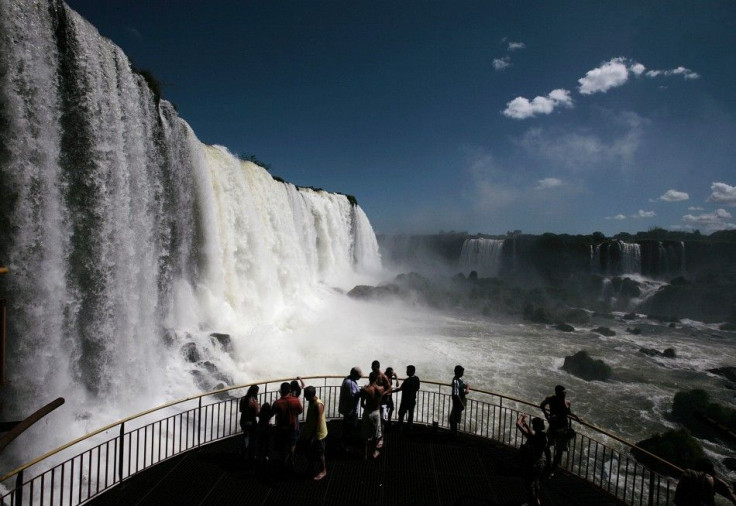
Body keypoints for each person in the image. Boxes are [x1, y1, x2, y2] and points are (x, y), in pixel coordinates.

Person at [539, 385, 580, 472]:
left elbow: (568, 413)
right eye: (563, 392)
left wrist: (576, 417)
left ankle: (552, 468)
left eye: (564, 392)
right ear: (557, 392)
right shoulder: (551, 399)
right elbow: (542, 405)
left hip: (562, 428)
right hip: (554, 427)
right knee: (547, 446)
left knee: (559, 450)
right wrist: (546, 415)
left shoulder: (566, 402)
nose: (564, 394)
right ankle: (549, 463)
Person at [516, 414, 551, 506]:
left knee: (528, 483)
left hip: (532, 463)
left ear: (535, 426)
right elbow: (547, 451)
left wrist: (521, 417)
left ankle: (531, 502)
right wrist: (548, 465)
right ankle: (536, 500)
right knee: (536, 482)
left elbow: (518, 424)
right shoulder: (544, 437)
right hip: (540, 462)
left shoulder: (533, 438)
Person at [272, 382, 303, 471]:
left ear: (281, 391)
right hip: (293, 426)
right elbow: (300, 411)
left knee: (282, 444)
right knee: (292, 443)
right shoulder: (296, 400)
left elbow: (272, 412)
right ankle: (291, 459)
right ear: (289, 391)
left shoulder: (277, 403)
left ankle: (283, 461)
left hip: (281, 428)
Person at [300, 386, 328, 480]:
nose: (305, 397)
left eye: (306, 395)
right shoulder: (312, 402)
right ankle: (311, 466)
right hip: (311, 431)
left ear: (310, 395)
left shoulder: (318, 405)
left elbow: (319, 422)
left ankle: (323, 471)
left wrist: (314, 436)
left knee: (320, 453)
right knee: (310, 451)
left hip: (318, 434)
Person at [361, 371, 385, 459]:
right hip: (376, 412)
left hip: (367, 412)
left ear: (369, 378)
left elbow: (362, 404)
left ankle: (365, 454)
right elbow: (381, 400)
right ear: (376, 379)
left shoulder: (365, 389)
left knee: (365, 435)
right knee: (376, 434)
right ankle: (374, 452)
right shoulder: (381, 389)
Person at [338, 367, 362, 444]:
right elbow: (353, 396)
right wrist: (363, 392)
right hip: (351, 412)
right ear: (354, 375)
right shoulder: (350, 383)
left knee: (346, 428)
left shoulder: (347, 380)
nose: (360, 377)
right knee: (351, 429)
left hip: (347, 410)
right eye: (359, 375)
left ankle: (345, 444)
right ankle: (348, 445)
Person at [239, 385, 260, 462]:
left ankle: (243, 454)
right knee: (253, 439)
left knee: (245, 437)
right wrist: (258, 407)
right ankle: (251, 455)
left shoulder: (243, 398)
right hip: (251, 421)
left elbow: (241, 410)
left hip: (243, 420)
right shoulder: (254, 400)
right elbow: (257, 413)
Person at [396, 365, 421, 431]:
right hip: (412, 400)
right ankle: (410, 427)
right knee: (410, 415)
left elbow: (400, 389)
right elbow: (418, 388)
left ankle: (400, 427)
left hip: (405, 401)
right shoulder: (417, 379)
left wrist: (391, 391)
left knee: (401, 414)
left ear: (411, 371)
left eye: (407, 370)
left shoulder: (407, 380)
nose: (406, 372)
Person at [449, 365, 469, 435]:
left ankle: (453, 434)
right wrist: (466, 390)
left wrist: (467, 389)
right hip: (459, 401)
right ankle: (454, 433)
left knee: (452, 419)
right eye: (461, 372)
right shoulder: (457, 380)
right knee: (454, 419)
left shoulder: (457, 380)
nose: (462, 373)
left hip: (458, 402)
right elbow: (466, 386)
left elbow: (456, 394)